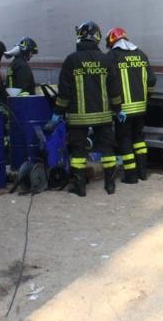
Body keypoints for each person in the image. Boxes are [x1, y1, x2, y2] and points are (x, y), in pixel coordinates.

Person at [48, 21, 121, 196]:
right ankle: (110, 185)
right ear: (97, 37)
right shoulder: (106, 59)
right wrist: (117, 110)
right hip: (103, 116)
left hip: (78, 117)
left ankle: (79, 187)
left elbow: (64, 92)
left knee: (78, 152)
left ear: (80, 36)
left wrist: (57, 113)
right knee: (108, 150)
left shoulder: (71, 60)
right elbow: (114, 89)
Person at [105, 27, 156, 183]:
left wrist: (114, 106)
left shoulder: (112, 57)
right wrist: (147, 96)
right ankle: (142, 172)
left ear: (111, 40)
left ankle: (131, 176)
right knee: (139, 140)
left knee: (125, 140)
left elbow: (109, 83)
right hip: (141, 108)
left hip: (123, 110)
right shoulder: (141, 54)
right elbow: (152, 80)